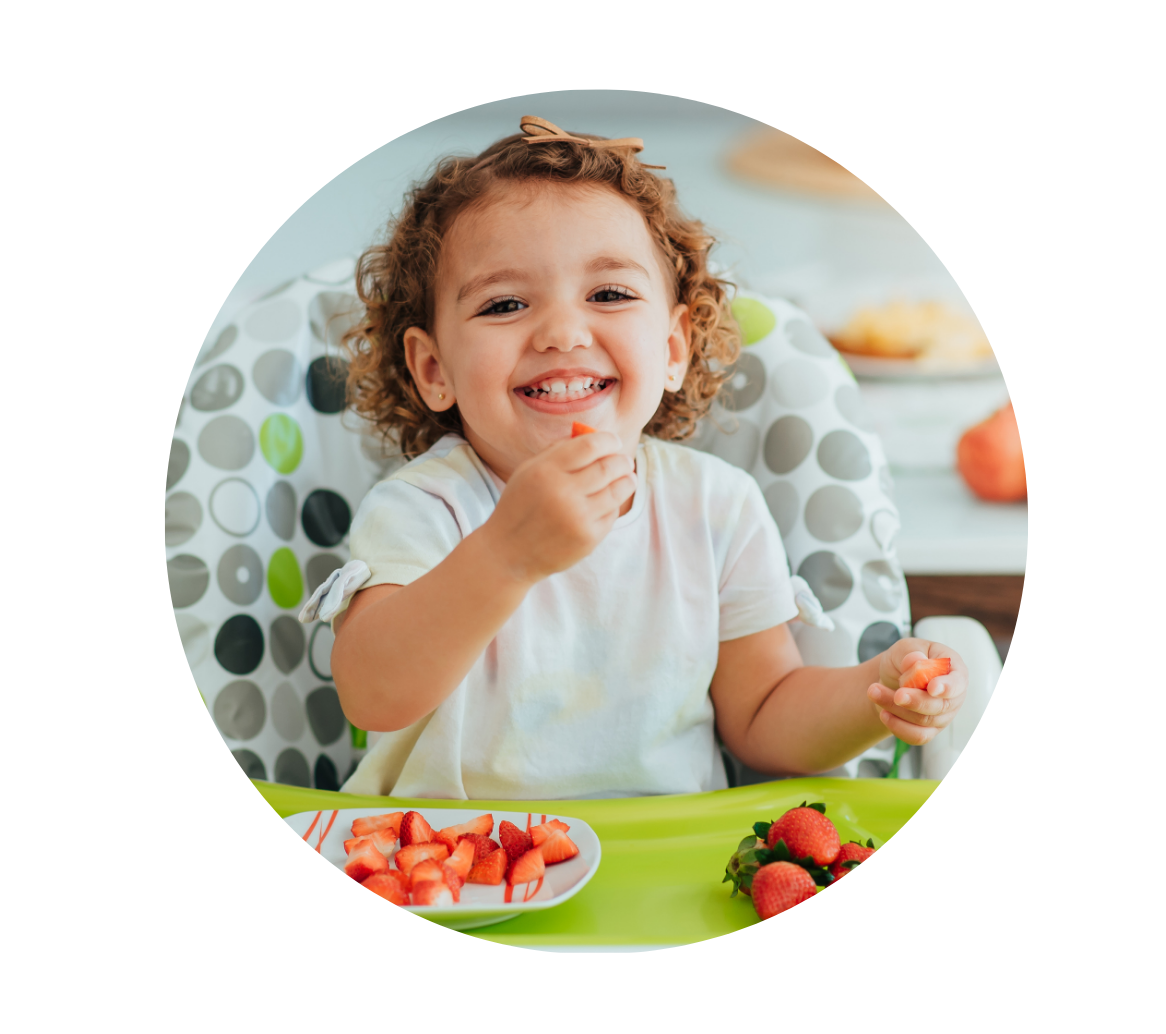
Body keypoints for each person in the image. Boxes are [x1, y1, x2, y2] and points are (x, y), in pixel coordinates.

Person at [310, 116, 967, 799]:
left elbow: (765, 711)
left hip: (668, 871)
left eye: (609, 294)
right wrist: (507, 554)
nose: (563, 332)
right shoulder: (422, 509)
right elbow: (373, 695)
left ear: (674, 349)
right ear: (433, 367)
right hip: (456, 874)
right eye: (505, 303)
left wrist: (875, 695)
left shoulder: (717, 506)